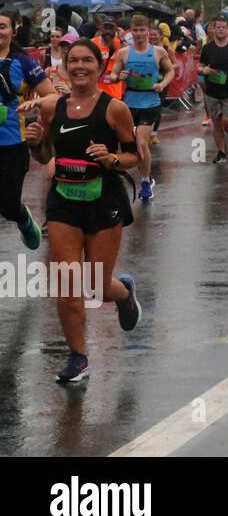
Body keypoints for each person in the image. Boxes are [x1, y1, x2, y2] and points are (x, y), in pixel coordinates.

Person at [24, 37, 143, 383]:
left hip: (104, 200)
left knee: (95, 285)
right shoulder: (52, 108)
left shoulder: (114, 108)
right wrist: (35, 143)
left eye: (86, 61)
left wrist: (113, 158)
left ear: (99, 67)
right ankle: (78, 357)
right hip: (64, 201)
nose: (78, 66)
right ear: (64, 67)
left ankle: (123, 293)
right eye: (73, 60)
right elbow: (45, 156)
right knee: (67, 282)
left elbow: (135, 155)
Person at [2, 10, 55, 248]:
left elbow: (52, 96)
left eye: (2, 26)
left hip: (13, 142)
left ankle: (23, 219)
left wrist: (36, 103)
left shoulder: (24, 62)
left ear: (14, 30)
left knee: (9, 204)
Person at [108, 13, 175, 201]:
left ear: (148, 31)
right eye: (135, 30)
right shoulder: (124, 52)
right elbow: (111, 75)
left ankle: (145, 182)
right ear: (131, 31)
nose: (139, 34)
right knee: (130, 147)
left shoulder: (158, 51)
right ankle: (147, 176)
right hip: (129, 103)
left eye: (142, 30)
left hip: (150, 102)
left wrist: (162, 85)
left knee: (142, 142)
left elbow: (170, 70)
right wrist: (118, 76)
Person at [198, 16, 228, 163]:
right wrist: (204, 70)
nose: (220, 30)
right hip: (212, 91)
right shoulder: (207, 48)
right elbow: (200, 66)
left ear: (227, 30)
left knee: (227, 122)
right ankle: (221, 152)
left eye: (223, 27)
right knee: (217, 122)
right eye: (217, 27)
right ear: (213, 30)